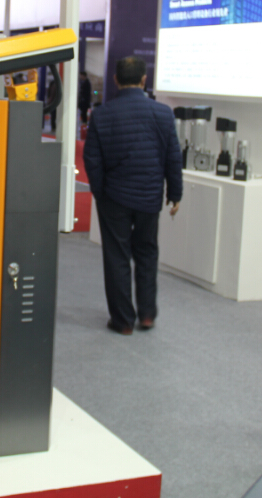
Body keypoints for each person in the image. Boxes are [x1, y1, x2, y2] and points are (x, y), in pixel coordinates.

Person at [82, 56, 182, 336]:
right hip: (150, 197)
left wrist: (100, 192)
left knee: (117, 256)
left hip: (113, 197)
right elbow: (173, 157)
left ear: (116, 80)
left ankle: (123, 320)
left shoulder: (102, 114)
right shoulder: (163, 113)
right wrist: (175, 193)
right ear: (144, 80)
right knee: (147, 253)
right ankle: (147, 314)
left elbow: (92, 159)